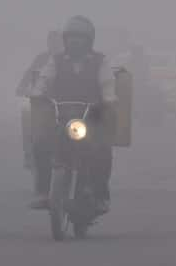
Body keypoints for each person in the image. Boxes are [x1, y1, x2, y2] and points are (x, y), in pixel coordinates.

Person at [30, 16, 117, 214]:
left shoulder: (100, 61)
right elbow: (44, 78)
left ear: (89, 40)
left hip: (92, 117)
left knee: (102, 149)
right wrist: (37, 93)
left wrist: (109, 98)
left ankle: (101, 196)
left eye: (80, 37)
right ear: (64, 40)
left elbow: (107, 83)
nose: (74, 41)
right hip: (62, 117)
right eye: (71, 37)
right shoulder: (56, 60)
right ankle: (43, 191)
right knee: (41, 143)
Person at [16, 31, 63, 171]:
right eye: (51, 42)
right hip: (44, 102)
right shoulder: (42, 59)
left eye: (57, 42)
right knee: (26, 113)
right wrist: (21, 87)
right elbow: (29, 73)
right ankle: (29, 154)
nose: (54, 45)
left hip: (67, 102)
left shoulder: (68, 59)